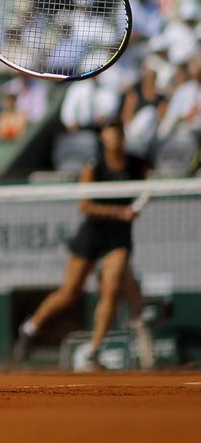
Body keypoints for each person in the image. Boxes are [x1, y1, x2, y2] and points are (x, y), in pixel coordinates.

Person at [13, 118, 149, 371]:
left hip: (119, 239)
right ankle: (30, 329)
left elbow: (144, 188)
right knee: (69, 292)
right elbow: (84, 205)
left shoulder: (137, 164)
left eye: (117, 132)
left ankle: (94, 352)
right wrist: (119, 213)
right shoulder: (94, 166)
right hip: (92, 234)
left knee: (110, 290)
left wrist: (133, 210)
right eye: (109, 133)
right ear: (103, 139)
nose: (114, 137)